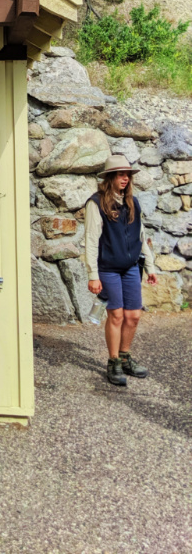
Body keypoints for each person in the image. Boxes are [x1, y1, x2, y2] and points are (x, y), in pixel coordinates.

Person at [85, 155, 157, 387]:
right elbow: (91, 241)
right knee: (115, 316)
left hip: (131, 268)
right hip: (108, 269)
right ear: (109, 177)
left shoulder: (133, 203)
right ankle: (113, 361)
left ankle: (125, 357)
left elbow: (141, 237)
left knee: (133, 316)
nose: (125, 178)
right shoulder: (96, 203)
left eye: (127, 175)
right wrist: (92, 275)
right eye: (120, 174)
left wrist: (150, 267)